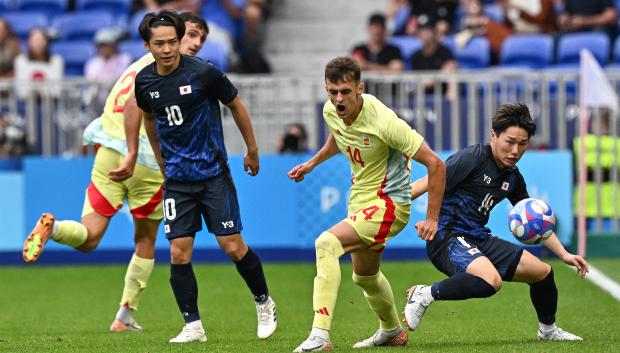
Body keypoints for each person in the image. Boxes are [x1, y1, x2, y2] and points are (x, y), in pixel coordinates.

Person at [21, 12, 210, 333]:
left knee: (89, 237)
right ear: (173, 36)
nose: (194, 43)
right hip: (148, 163)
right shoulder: (173, 70)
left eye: (200, 39)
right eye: (191, 35)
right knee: (146, 240)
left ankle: (53, 231)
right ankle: (124, 315)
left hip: (108, 150)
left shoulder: (137, 63)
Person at [132, 10, 277, 343]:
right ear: (147, 45)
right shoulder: (145, 81)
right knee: (178, 252)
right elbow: (150, 120)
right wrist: (159, 159)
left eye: (172, 42)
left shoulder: (204, 73)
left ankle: (264, 301)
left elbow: (236, 104)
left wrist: (251, 149)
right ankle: (192, 326)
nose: (167, 49)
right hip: (177, 181)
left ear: (179, 39)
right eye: (159, 44)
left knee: (232, 246)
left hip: (212, 174)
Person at [289, 56, 446, 352]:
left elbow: (437, 165)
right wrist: (312, 163)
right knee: (365, 276)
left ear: (359, 88)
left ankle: (320, 336)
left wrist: (432, 218)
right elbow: (340, 135)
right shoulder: (331, 111)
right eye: (332, 92)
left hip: (390, 204)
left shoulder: (385, 122)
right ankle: (391, 331)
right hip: (360, 200)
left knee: (326, 244)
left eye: (345, 92)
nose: (338, 99)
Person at [403, 102, 589, 341]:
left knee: (542, 272)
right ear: (494, 135)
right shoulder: (472, 157)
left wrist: (564, 254)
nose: (515, 150)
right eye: (509, 142)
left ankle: (548, 331)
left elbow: (535, 221)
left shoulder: (512, 177)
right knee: (491, 280)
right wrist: (415, 214)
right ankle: (424, 294)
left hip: (478, 237)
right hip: (446, 236)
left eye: (522, 144)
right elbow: (427, 182)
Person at [14, 27, 64, 100]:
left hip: (51, 102)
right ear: (29, 42)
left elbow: (56, 89)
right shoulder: (20, 60)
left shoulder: (57, 60)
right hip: (26, 102)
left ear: (46, 42)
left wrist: (42, 93)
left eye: (40, 40)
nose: (37, 43)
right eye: (34, 40)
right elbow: (21, 89)